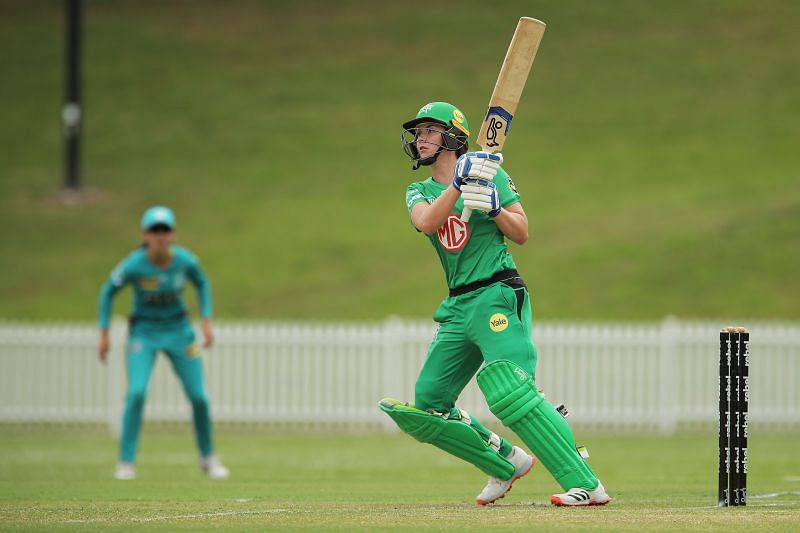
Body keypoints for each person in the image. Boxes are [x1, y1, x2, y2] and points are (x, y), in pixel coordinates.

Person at [379, 102, 610, 506]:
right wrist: (458, 186)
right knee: (428, 405)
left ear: (453, 138)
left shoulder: (492, 174)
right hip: (457, 305)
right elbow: (427, 223)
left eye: (431, 131)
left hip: (498, 293)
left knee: (509, 392)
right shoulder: (418, 190)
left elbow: (521, 232)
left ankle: (587, 486)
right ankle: (507, 462)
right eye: (419, 133)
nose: (421, 139)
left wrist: (494, 206)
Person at [97, 206, 229, 480]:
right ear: (145, 235)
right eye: (154, 230)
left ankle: (208, 457)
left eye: (164, 230)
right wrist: (104, 332)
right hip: (144, 334)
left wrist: (205, 320)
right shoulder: (133, 264)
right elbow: (107, 292)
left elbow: (202, 283)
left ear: (173, 234)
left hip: (181, 333)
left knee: (199, 397)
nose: (159, 235)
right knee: (136, 393)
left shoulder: (184, 261)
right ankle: (126, 461)